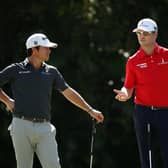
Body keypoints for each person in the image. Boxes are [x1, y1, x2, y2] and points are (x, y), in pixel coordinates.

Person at [0, 33, 104, 168]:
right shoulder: (16, 69)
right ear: (34, 49)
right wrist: (7, 100)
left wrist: (90, 110)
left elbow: (68, 92)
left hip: (45, 127)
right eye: (46, 48)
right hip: (21, 125)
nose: (49, 50)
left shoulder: (52, 72)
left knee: (53, 165)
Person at [114, 18, 168, 168]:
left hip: (166, 112)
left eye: (145, 33)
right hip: (144, 112)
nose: (141, 36)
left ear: (155, 34)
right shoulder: (133, 61)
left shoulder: (167, 55)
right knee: (147, 158)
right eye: (139, 33)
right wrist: (124, 93)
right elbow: (128, 86)